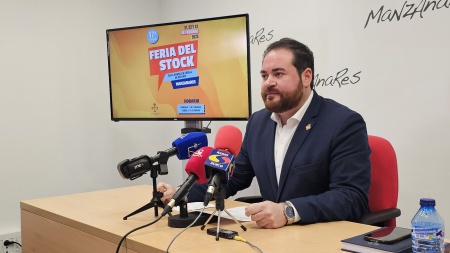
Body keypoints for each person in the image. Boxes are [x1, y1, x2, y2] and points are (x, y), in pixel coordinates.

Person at [157, 38, 371, 229]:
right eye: (264, 75)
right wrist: (181, 193)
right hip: (270, 238)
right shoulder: (258, 122)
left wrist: (288, 211)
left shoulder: (343, 123)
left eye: (278, 74)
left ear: (306, 77)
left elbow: (352, 197)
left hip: (320, 236)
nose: (269, 82)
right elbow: (231, 177)